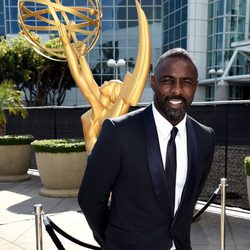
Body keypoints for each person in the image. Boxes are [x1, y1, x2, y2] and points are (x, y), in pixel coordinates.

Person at [78, 48, 215, 250]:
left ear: (195, 86)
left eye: (186, 82)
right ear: (153, 82)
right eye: (168, 80)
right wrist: (114, 242)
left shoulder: (205, 137)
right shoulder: (119, 132)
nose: (177, 90)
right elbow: (90, 199)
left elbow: (187, 202)